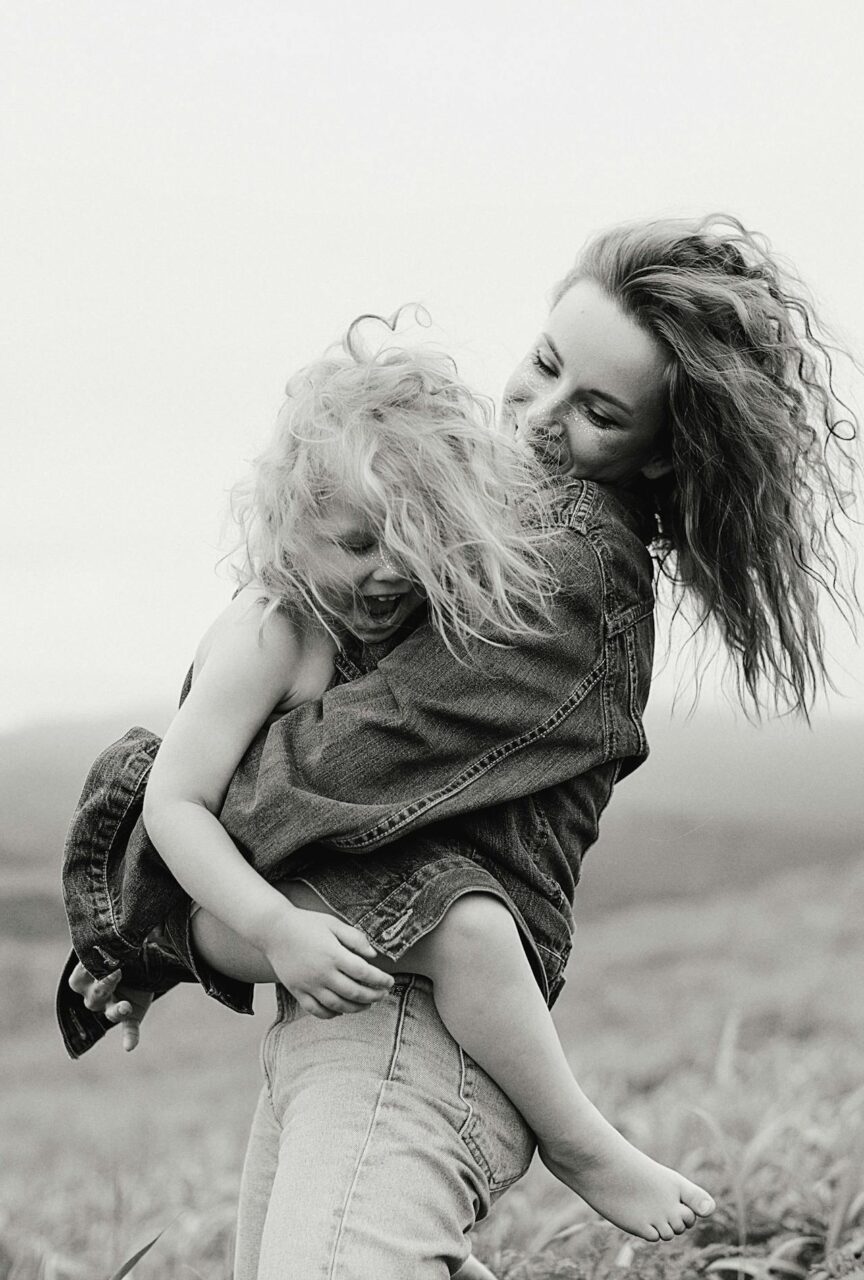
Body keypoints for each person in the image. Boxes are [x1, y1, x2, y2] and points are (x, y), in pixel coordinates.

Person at [63, 215, 859, 1278]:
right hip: (349, 999)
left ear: (662, 448)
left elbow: (292, 792)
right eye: (542, 363)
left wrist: (162, 905)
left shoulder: (569, 568)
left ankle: (587, 1142)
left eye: (598, 413)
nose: (536, 415)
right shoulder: (465, 523)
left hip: (415, 1022)